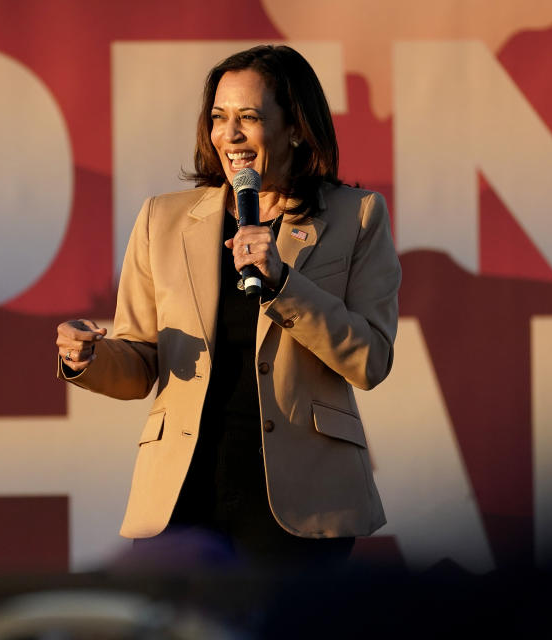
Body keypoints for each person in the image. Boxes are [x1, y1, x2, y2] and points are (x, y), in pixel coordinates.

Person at [56, 45, 401, 566]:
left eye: (249, 117)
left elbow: (370, 360)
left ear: (295, 128)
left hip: (302, 501)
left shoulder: (357, 216)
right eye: (218, 118)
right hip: (183, 494)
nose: (230, 135)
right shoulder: (162, 219)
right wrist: (87, 360)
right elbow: (139, 364)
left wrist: (284, 282)